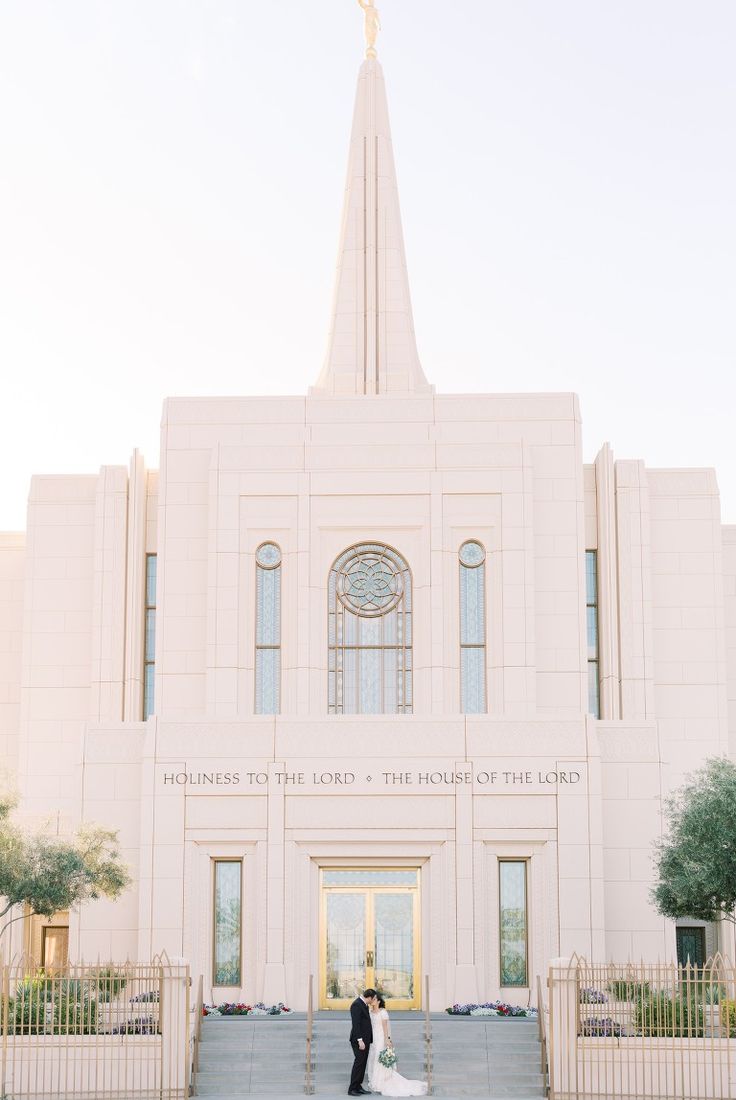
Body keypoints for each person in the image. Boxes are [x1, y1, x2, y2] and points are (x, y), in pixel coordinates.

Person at [366, 997, 428, 1097]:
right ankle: (374, 1078)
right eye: (372, 999)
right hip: (373, 1038)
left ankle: (381, 1080)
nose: (372, 1001)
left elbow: (385, 1028)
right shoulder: (370, 1011)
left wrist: (387, 1040)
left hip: (381, 1037)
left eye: (374, 999)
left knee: (379, 1057)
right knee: (373, 1057)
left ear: (378, 1001)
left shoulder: (383, 1012)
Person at [348, 988, 378, 1095]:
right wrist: (360, 1040)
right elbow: (356, 1024)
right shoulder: (356, 1004)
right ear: (369, 997)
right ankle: (352, 1088)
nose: (373, 1000)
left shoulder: (364, 1004)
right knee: (359, 1063)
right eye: (373, 998)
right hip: (358, 1040)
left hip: (365, 1040)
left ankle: (358, 1086)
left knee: (363, 1063)